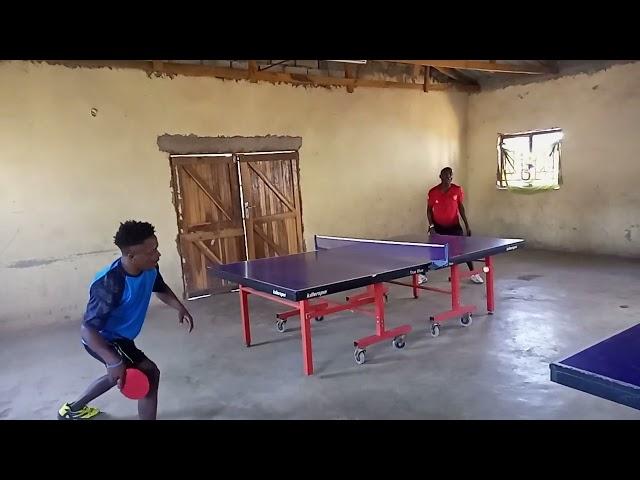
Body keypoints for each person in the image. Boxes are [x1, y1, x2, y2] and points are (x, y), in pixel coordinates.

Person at [58, 220, 194, 420]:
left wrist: (179, 307)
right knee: (149, 373)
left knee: (116, 376)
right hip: (104, 339)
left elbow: (160, 287)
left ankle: (72, 409)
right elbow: (87, 329)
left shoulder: (150, 268)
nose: (157, 255)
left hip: (122, 337)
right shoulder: (110, 284)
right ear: (131, 256)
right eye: (151, 252)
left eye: (156, 248)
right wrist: (112, 360)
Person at [419, 167, 484, 285]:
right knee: (433, 251)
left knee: (463, 251)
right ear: (440, 177)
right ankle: (422, 274)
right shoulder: (433, 192)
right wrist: (432, 226)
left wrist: (467, 225)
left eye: (450, 176)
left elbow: (461, 207)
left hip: (454, 226)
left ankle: (473, 273)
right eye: (446, 176)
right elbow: (429, 210)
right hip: (438, 226)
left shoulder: (457, 190)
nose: (449, 178)